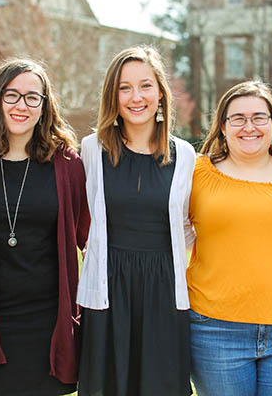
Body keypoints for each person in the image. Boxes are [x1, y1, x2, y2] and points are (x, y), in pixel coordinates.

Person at [0, 59, 90, 395]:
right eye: (12, 95)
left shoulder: (68, 165)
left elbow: (91, 238)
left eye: (33, 97)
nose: (22, 105)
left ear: (45, 106)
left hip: (50, 323)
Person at [187, 80, 272, 396]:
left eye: (259, 117)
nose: (249, 127)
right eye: (238, 118)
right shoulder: (196, 174)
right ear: (222, 127)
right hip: (215, 330)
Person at [77, 45, 195, 396]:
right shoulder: (91, 150)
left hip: (164, 292)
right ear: (113, 96)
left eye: (145, 85)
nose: (136, 97)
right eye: (124, 88)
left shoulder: (185, 155)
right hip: (108, 291)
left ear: (160, 92)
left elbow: (188, 226)